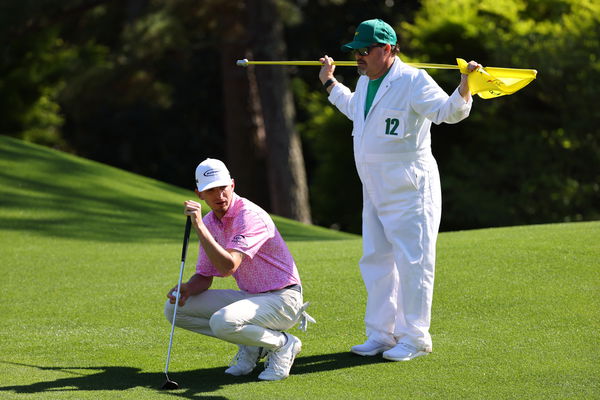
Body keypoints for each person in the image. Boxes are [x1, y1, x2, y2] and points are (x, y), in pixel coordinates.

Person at [318, 19, 481, 361]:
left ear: (388, 50)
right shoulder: (364, 81)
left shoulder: (413, 80)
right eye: (356, 51)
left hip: (411, 189)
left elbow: (448, 113)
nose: (358, 57)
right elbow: (355, 112)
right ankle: (381, 334)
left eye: (365, 51)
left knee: (413, 262)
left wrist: (466, 83)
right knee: (376, 259)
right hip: (374, 187)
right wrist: (331, 83)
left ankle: (416, 337)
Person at [164, 158, 313, 380]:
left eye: (223, 187)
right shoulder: (210, 222)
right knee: (175, 309)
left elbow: (227, 267)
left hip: (283, 299)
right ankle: (252, 345)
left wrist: (198, 226)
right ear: (199, 194)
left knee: (222, 321)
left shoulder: (249, 216)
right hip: (251, 297)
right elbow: (205, 275)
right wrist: (188, 287)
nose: (219, 195)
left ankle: (283, 344)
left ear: (232, 185)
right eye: (211, 190)